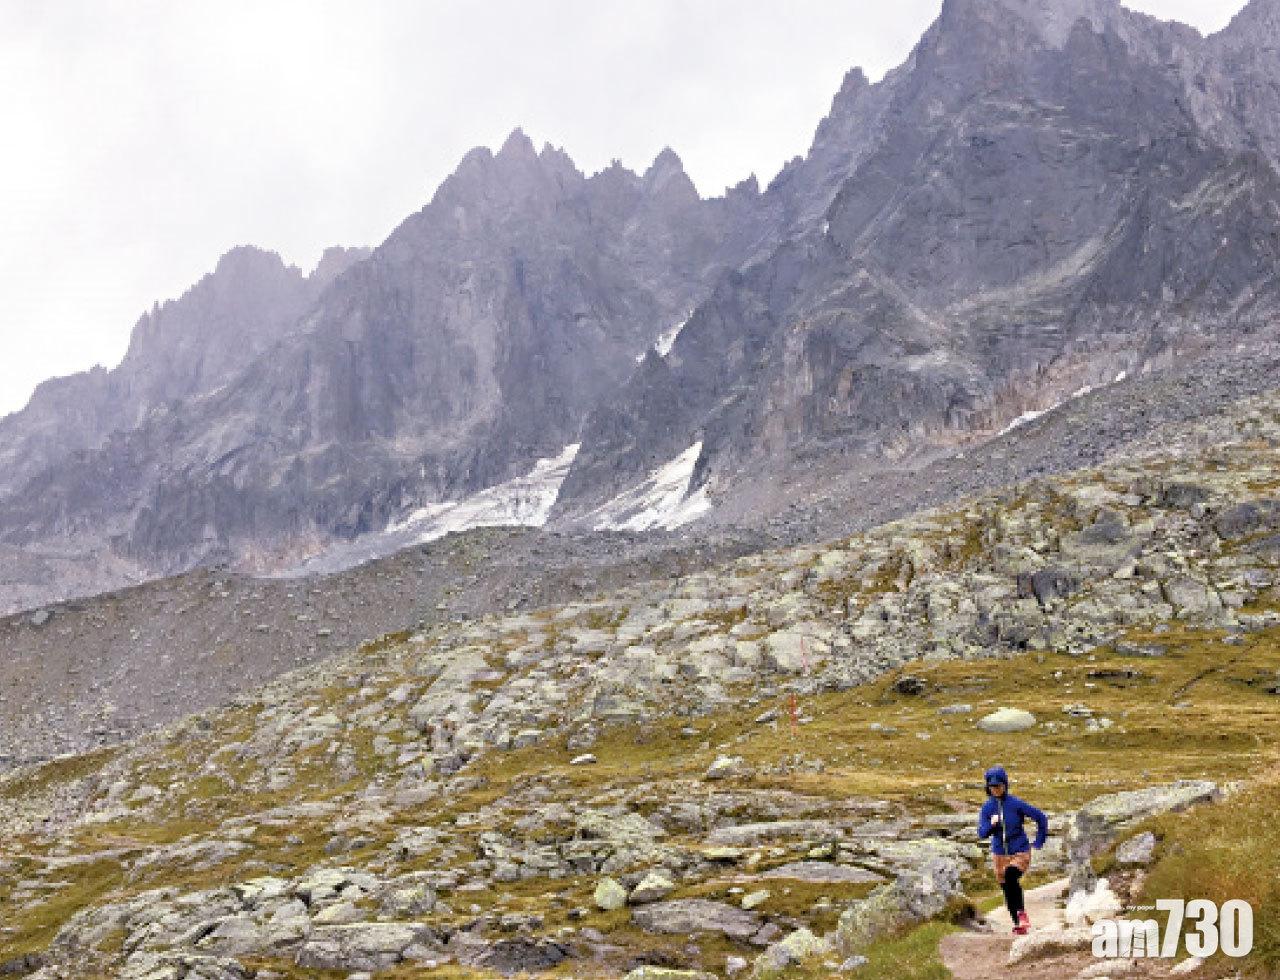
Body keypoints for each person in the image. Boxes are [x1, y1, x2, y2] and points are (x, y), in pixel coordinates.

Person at [976, 764, 1049, 935]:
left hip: (1020, 851)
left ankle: (1022, 915)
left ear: (1005, 785)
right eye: (992, 786)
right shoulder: (987, 808)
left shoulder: (1015, 804)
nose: (996, 789)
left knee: (1010, 876)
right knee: (1007, 889)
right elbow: (981, 833)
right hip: (999, 855)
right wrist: (992, 825)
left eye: (999, 786)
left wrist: (1038, 842)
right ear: (988, 787)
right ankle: (1019, 924)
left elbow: (1041, 818)